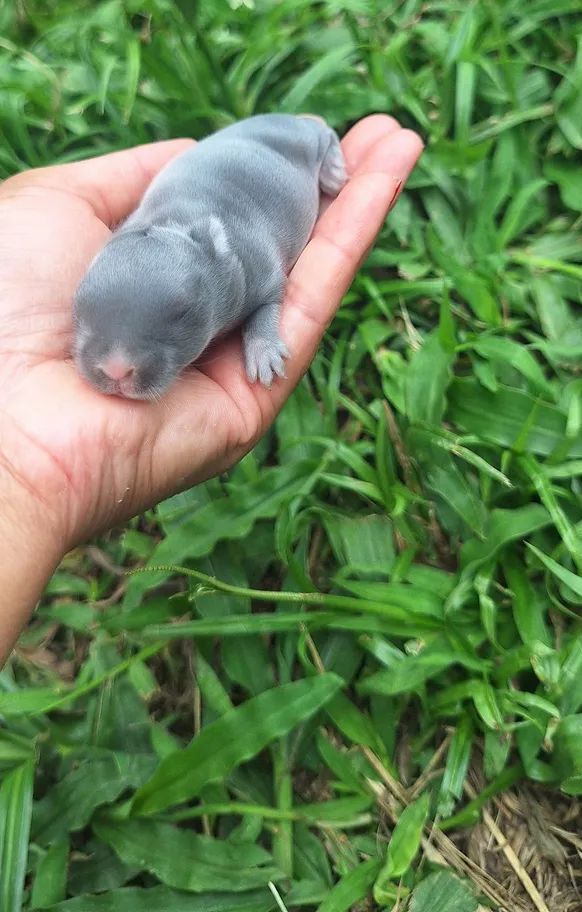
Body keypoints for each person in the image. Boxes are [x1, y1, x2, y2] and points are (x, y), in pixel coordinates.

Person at [0, 114, 422, 665]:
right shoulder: (129, 241)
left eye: (171, 322)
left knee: (311, 140)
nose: (117, 366)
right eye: (91, 323)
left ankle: (318, 140)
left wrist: (263, 331)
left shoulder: (233, 263)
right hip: (218, 166)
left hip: (275, 143)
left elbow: (271, 286)